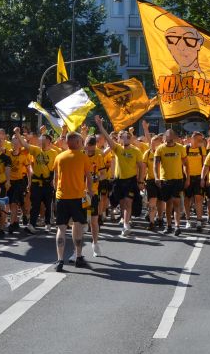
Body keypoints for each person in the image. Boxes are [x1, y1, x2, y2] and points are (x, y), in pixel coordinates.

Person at [94, 116, 144, 238]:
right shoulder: (117, 148)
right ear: (119, 139)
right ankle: (125, 219)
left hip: (130, 180)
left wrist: (140, 181)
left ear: (131, 139)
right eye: (122, 137)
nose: (125, 138)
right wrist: (100, 126)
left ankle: (126, 225)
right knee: (122, 203)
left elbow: (141, 167)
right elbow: (107, 138)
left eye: (128, 137)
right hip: (118, 181)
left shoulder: (136, 151)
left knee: (128, 202)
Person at [52, 132, 93, 271]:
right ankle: (78, 257)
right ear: (75, 142)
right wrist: (90, 191)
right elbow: (89, 177)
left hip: (61, 197)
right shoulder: (83, 157)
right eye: (80, 141)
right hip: (77, 197)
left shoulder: (59, 157)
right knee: (78, 226)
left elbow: (55, 178)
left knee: (61, 228)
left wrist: (57, 192)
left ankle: (60, 260)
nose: (82, 144)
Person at [154, 129, 188, 236]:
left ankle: (177, 226)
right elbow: (155, 165)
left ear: (175, 138)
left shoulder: (180, 148)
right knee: (168, 204)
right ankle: (169, 226)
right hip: (165, 180)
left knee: (176, 203)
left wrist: (187, 178)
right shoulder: (160, 148)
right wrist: (156, 177)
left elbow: (186, 164)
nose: (168, 142)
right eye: (167, 139)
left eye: (171, 139)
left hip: (177, 179)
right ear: (164, 138)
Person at [183, 132, 207, 229]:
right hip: (187, 177)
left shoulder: (202, 149)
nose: (200, 142)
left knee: (199, 198)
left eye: (201, 140)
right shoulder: (185, 148)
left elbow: (205, 165)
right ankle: (188, 220)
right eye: (198, 140)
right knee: (187, 199)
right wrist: (187, 178)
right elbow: (183, 165)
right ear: (192, 139)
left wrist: (203, 178)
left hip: (198, 177)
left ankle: (199, 221)